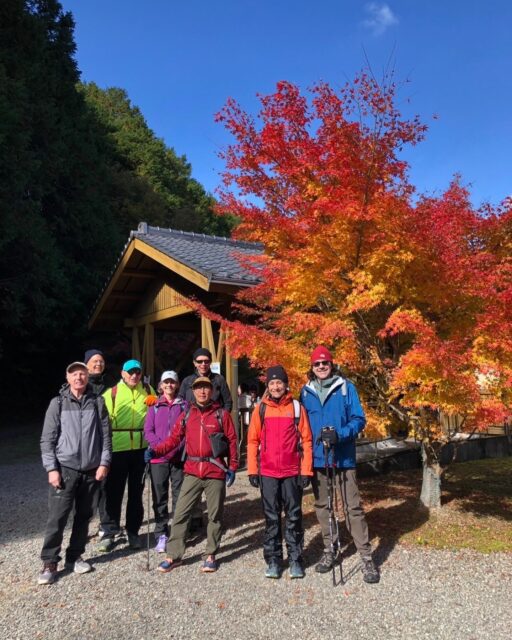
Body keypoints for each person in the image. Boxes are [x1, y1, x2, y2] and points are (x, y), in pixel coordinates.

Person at [300, 346, 380, 584]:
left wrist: (341, 434)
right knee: (323, 506)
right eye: (317, 364)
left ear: (332, 364)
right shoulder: (305, 392)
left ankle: (366, 558)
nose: (322, 367)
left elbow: (359, 419)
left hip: (343, 458)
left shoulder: (346, 387)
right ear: (312, 367)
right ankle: (330, 548)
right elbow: (301, 425)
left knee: (352, 507)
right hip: (318, 459)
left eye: (325, 363)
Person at [145, 376, 238, 573]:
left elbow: (232, 440)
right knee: (181, 513)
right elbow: (173, 439)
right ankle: (174, 555)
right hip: (192, 471)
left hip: (215, 470)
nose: (202, 391)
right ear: (193, 391)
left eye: (206, 388)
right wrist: (156, 451)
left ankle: (211, 553)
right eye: (198, 388)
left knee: (215, 515)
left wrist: (233, 467)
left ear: (211, 391)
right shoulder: (187, 415)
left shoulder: (221, 414)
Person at [38, 362, 112, 585]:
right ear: (67, 377)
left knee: (84, 516)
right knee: (57, 518)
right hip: (65, 470)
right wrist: (52, 469)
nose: (79, 377)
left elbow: (106, 437)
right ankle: (50, 562)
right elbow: (47, 440)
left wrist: (104, 463)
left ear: (88, 377)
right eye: (74, 374)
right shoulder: (58, 403)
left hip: (91, 470)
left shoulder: (97, 402)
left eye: (82, 374)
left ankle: (74, 556)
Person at [247, 365, 313, 579]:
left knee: (293, 517)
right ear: (268, 386)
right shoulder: (261, 409)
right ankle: (274, 560)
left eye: (279, 383)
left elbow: (307, 440)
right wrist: (252, 470)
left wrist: (306, 471)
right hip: (268, 472)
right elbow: (252, 440)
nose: (276, 387)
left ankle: (295, 559)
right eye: (272, 383)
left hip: (292, 471)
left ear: (286, 385)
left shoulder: (296, 408)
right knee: (271, 518)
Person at [98, 359, 156, 552]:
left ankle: (133, 532)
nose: (134, 376)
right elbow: (101, 422)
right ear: (122, 373)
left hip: (140, 450)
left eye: (137, 372)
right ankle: (109, 532)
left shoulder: (148, 390)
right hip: (118, 449)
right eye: (130, 372)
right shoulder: (111, 393)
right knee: (113, 493)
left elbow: (157, 411)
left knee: (136, 494)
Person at [179, 347, 233, 530]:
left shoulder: (218, 380)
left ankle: (214, 523)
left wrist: (220, 420)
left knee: (212, 482)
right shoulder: (187, 381)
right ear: (194, 363)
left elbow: (228, 401)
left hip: (213, 432)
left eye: (206, 361)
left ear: (210, 362)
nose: (203, 364)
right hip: (192, 432)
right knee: (190, 479)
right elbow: (179, 404)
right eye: (199, 361)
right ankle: (194, 518)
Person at [143, 370, 188, 553]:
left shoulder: (184, 406)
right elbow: (148, 431)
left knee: (179, 497)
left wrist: (175, 448)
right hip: (158, 459)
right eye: (166, 382)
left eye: (172, 382)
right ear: (161, 385)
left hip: (178, 458)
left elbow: (187, 431)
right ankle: (161, 533)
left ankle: (177, 533)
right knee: (159, 498)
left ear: (176, 385)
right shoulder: (154, 406)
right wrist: (159, 447)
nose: (169, 385)